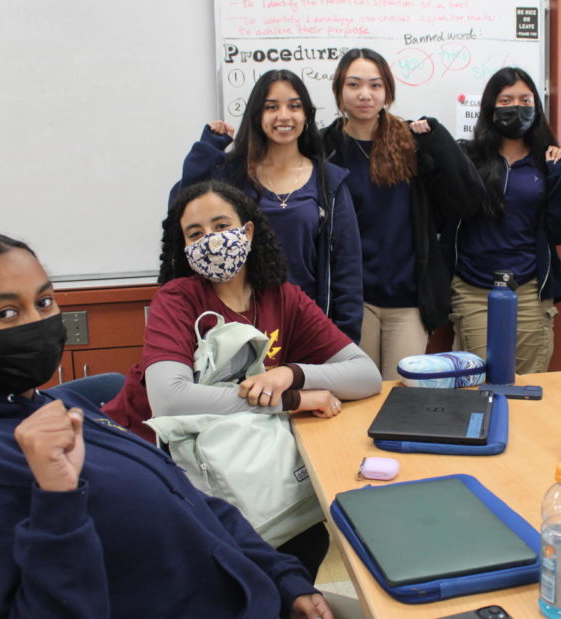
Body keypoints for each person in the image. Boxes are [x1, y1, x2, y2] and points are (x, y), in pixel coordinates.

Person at [0, 230, 335, 619]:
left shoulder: (60, 405)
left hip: (258, 597)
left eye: (45, 301)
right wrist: (57, 500)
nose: (37, 321)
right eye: (6, 313)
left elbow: (191, 500)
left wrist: (281, 577)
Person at [103, 180, 382, 580]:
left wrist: (291, 374)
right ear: (184, 247)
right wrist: (290, 400)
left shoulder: (282, 297)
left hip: (239, 454)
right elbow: (170, 398)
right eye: (195, 234)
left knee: (303, 538)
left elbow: (366, 375)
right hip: (157, 456)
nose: (211, 241)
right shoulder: (177, 298)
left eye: (221, 226)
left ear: (247, 232)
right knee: (234, 560)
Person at [321, 48, 485, 380]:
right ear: (339, 90)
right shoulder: (322, 146)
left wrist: (438, 138)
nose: (365, 94)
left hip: (409, 300)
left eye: (375, 85)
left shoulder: (410, 142)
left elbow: (469, 199)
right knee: (357, 394)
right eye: (354, 85)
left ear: (388, 93)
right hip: (353, 301)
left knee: (405, 395)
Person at [170, 70, 363, 342]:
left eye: (294, 106)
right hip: (237, 325)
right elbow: (181, 212)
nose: (284, 115)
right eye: (272, 107)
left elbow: (347, 270)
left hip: (306, 323)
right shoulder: (231, 176)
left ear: (306, 115)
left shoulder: (329, 181)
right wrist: (207, 150)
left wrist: (344, 341)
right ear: (257, 115)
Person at [443, 67, 561, 374]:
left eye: (524, 99)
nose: (516, 107)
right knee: (480, 382)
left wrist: (560, 176)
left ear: (536, 106)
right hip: (474, 288)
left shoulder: (550, 161)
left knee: (525, 385)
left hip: (529, 288)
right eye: (505, 100)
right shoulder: (467, 157)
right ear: (490, 108)